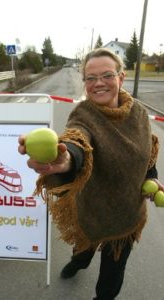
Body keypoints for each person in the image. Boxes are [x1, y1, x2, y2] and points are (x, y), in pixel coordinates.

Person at [18, 48, 164, 300]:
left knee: (112, 274)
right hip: (92, 209)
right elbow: (77, 141)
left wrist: (152, 177)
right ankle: (78, 263)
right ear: (84, 82)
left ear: (121, 78)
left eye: (107, 75)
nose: (98, 83)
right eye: (90, 78)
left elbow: (146, 156)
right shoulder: (83, 115)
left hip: (127, 215)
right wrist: (64, 160)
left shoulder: (139, 114)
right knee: (83, 252)